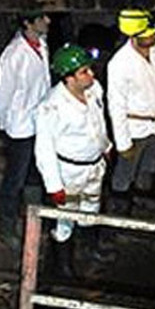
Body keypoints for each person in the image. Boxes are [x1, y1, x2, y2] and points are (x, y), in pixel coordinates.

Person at [34, 44, 112, 277]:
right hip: (69, 172)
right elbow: (44, 148)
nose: (92, 74)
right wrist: (54, 186)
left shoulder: (93, 89)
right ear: (68, 78)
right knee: (65, 218)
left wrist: (106, 146)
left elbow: (99, 121)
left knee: (91, 208)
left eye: (89, 69)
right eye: (84, 72)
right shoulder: (52, 107)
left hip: (94, 167)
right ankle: (62, 265)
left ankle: (88, 249)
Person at [106, 9, 155, 214]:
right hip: (135, 128)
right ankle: (119, 207)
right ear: (134, 36)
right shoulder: (120, 64)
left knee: (150, 165)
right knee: (125, 171)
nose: (153, 36)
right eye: (148, 33)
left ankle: (142, 198)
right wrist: (122, 142)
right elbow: (116, 105)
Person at [0, 10, 51, 249]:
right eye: (42, 18)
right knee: (14, 179)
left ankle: (33, 223)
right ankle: (7, 229)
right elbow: (0, 94)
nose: (48, 21)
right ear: (28, 23)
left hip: (39, 124)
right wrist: (6, 123)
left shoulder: (41, 45)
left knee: (35, 176)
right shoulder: (14, 54)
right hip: (20, 127)